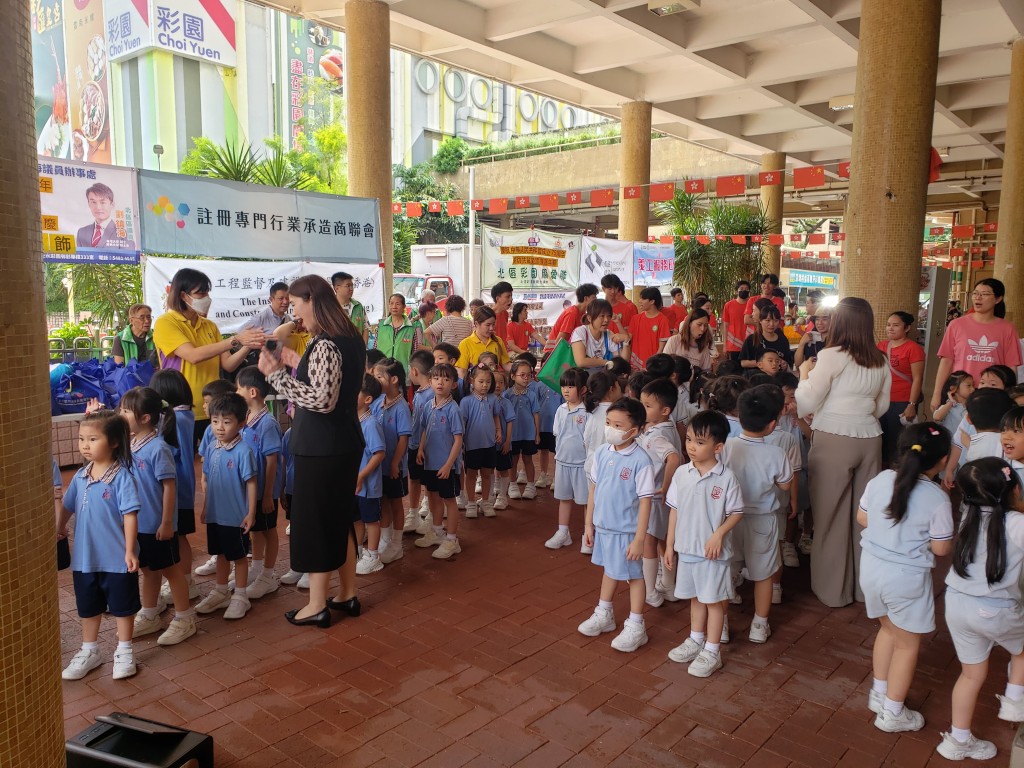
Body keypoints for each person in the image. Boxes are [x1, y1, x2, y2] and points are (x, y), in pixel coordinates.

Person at [258, 275, 365, 628]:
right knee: (339, 518)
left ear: (312, 300)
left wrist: (275, 376)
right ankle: (346, 594)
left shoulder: (326, 344)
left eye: (296, 305)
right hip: (342, 442)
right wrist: (279, 351)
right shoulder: (347, 338)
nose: (294, 313)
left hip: (321, 447)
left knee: (318, 522)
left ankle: (317, 604)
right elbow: (320, 374)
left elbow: (320, 398)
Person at [795, 297, 891, 608]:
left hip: (834, 438)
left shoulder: (831, 355)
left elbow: (806, 401)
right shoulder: (880, 359)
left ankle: (834, 591)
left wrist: (803, 374)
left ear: (840, 322)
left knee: (830, 517)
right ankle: (863, 590)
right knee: (863, 517)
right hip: (870, 438)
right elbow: (882, 406)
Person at [858, 423, 953, 733]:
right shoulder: (938, 498)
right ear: (943, 460)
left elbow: (862, 518)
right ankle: (893, 713)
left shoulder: (882, 479)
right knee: (908, 645)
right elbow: (941, 548)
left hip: (871, 570)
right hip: (906, 580)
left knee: (887, 630)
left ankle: (879, 693)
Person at [938, 458, 1024, 761]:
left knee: (971, 675)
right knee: (1022, 649)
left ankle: (957, 741)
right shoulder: (1016, 523)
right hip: (996, 608)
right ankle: (1014, 700)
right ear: (1014, 490)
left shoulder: (968, 516)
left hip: (957, 604)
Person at [59, 411, 142, 681]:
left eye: (93, 439)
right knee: (88, 606)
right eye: (82, 438)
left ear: (115, 442)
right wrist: (59, 528)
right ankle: (89, 650)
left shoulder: (122, 478)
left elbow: (130, 516)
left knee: (123, 606)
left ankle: (125, 649)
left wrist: (129, 551)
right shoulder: (81, 476)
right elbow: (68, 506)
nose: (85, 445)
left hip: (117, 558)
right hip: (84, 558)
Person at [664, 410, 744, 678]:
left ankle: (712, 651)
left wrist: (719, 534)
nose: (691, 447)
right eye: (688, 440)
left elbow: (736, 512)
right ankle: (695, 640)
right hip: (687, 549)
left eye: (699, 442)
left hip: (713, 554)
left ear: (718, 447)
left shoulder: (726, 477)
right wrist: (669, 545)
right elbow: (674, 510)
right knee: (696, 598)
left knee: (714, 600)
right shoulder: (681, 474)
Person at [119, 387, 195, 647]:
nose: (121, 414)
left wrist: (166, 522)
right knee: (148, 570)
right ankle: (150, 613)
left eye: (126, 411)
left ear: (145, 418)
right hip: (138, 524)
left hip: (157, 525)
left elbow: (169, 486)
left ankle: (185, 618)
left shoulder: (158, 448)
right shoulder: (129, 444)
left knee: (171, 571)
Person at [578, 397, 656, 652]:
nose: (610, 428)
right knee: (610, 570)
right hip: (604, 527)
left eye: (618, 425)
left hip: (627, 531)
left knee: (634, 576)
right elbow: (594, 489)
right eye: (608, 422)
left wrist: (639, 539)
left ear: (634, 431)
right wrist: (589, 525)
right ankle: (605, 613)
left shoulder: (641, 461)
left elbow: (646, 502)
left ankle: (636, 625)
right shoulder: (602, 452)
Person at [721, 385, 793, 643]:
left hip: (729, 520)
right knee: (763, 574)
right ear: (772, 424)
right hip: (763, 520)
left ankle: (722, 625)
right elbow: (785, 484)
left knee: (727, 570)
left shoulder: (727, 447)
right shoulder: (776, 453)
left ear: (740, 417)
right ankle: (759, 626)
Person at [153, 268, 265, 432]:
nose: (207, 299)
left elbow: (228, 364)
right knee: (186, 457)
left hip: (213, 408)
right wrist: (236, 339)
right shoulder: (166, 323)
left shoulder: (210, 326)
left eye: (207, 294)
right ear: (184, 296)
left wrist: (249, 343)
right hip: (180, 409)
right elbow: (192, 356)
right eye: (200, 294)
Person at [194, 393, 258, 621]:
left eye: (227, 421)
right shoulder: (211, 447)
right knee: (220, 554)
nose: (220, 427)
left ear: (241, 423)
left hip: (236, 516)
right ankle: (221, 591)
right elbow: (208, 479)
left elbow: (251, 483)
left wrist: (250, 513)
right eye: (215, 421)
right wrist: (205, 507)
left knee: (239, 557)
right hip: (215, 514)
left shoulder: (244, 451)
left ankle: (241, 596)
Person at [931, 278, 1022, 414]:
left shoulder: (1007, 329)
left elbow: (1011, 368)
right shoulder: (956, 325)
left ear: (998, 299)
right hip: (958, 394)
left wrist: (1010, 397)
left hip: (991, 396)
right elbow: (946, 361)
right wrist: (937, 394)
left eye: (985, 294)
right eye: (975, 293)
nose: (978, 297)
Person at [149, 369, 200, 600]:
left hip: (177, 489)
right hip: (183, 488)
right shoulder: (186, 415)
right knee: (181, 537)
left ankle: (185, 581)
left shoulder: (175, 419)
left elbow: (169, 450)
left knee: (179, 538)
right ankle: (185, 580)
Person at [235, 366, 284, 600]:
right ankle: (257, 565)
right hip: (250, 490)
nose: (237, 392)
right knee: (255, 528)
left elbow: (272, 461)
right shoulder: (246, 420)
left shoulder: (267, 423)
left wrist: (267, 495)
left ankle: (268, 575)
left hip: (265, 489)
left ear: (252, 392)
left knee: (268, 529)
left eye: (239, 388)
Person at [637, 379, 683, 608]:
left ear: (665, 410)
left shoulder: (656, 436)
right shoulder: (668, 426)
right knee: (666, 540)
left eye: (647, 405)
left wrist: (663, 486)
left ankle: (649, 590)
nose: (642, 408)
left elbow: (673, 457)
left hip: (656, 496)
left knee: (648, 541)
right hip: (667, 496)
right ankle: (669, 584)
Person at [414, 363, 465, 559]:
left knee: (449, 500)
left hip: (446, 465)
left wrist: (447, 465)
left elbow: (458, 440)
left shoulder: (453, 409)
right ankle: (437, 531)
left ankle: (452, 540)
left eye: (445, 379)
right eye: (436, 378)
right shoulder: (428, 405)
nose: (440, 382)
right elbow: (426, 429)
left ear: (453, 384)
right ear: (430, 381)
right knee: (433, 496)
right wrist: (420, 448)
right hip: (430, 462)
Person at [371, 358, 413, 563]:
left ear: (394, 379)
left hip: (394, 467)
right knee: (383, 501)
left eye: (379, 377)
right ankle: (385, 539)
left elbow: (403, 438)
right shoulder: (378, 402)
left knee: (395, 503)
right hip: (380, 466)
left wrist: (396, 463)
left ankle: (396, 544)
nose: (375, 381)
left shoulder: (402, 407)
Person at [546, 368, 590, 550]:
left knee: (587, 501)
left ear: (583, 389)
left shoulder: (588, 411)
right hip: (563, 462)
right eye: (564, 386)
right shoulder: (560, 410)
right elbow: (558, 434)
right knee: (564, 498)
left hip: (582, 464)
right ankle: (563, 533)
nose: (566, 390)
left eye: (571, 386)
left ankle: (589, 536)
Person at [878, 311, 925, 466]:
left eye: (896, 325)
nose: (890, 328)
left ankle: (896, 470)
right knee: (880, 438)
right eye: (888, 325)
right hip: (882, 399)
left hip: (902, 401)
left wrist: (911, 405)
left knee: (896, 439)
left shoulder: (913, 349)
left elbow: (918, 378)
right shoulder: (882, 346)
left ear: (907, 328)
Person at [354, 374, 387, 574]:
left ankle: (373, 556)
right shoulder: (352, 420)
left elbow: (379, 453)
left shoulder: (370, 424)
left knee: (371, 520)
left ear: (368, 400)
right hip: (354, 482)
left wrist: (361, 475)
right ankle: (358, 551)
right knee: (356, 518)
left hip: (368, 484)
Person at [460, 365, 501, 519]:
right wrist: (462, 443)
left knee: (486, 474)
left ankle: (485, 502)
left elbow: (496, 416)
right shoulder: (466, 401)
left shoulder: (493, 399)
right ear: (472, 380)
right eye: (481, 381)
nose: (485, 385)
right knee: (471, 475)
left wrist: (498, 430)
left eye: (488, 382)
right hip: (472, 445)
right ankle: (471, 502)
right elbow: (462, 423)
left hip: (489, 444)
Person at [404, 350, 436, 532]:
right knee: (414, 478)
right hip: (414, 444)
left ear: (415, 371)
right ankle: (413, 513)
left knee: (429, 483)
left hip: (427, 446)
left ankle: (431, 517)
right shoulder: (420, 393)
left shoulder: (430, 394)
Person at [504, 359, 542, 500]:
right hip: (512, 435)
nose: (526, 378)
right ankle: (512, 484)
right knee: (512, 461)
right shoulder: (507, 394)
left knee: (528, 459)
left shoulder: (531, 394)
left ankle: (531, 485)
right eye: (522, 375)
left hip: (528, 434)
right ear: (513, 376)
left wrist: (537, 433)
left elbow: (536, 414)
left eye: (529, 375)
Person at [571, 299, 631, 375]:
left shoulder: (608, 334)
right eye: (602, 316)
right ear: (589, 318)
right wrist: (607, 362)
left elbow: (623, 361)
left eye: (609, 316)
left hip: (600, 380)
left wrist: (626, 341)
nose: (606, 320)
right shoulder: (580, 332)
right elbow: (580, 362)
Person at [456, 306, 511, 378]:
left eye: (493, 324)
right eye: (488, 325)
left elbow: (506, 364)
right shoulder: (465, 344)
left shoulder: (498, 341)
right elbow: (462, 372)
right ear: (476, 324)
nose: (491, 328)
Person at [544, 284, 599, 354]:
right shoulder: (572, 313)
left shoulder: (583, 314)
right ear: (586, 298)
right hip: (553, 355)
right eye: (594, 297)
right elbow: (561, 341)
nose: (596, 300)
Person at [77, 182, 135, 249]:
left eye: (103, 202)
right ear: (89, 204)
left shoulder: (124, 233)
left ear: (112, 204)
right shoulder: (82, 232)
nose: (98, 207)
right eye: (93, 202)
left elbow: (128, 258)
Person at [376, 293, 423, 371]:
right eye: (391, 303)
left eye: (397, 304)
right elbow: (375, 347)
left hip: (403, 370)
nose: (394, 306)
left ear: (404, 306)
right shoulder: (381, 325)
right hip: (382, 369)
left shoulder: (411, 327)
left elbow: (414, 352)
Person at [627, 288, 670, 370]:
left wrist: (652, 366)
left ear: (652, 301)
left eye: (643, 299)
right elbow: (628, 340)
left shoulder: (663, 320)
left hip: (651, 367)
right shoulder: (635, 319)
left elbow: (661, 348)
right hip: (635, 366)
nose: (640, 301)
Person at [740, 304, 792, 371]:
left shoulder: (783, 340)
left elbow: (788, 361)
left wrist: (785, 364)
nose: (772, 324)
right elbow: (743, 363)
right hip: (757, 378)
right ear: (760, 321)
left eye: (776, 321)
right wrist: (763, 363)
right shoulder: (752, 339)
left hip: (778, 379)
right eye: (768, 320)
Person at [492, 369, 516, 511]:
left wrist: (507, 441)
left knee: (503, 468)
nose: (498, 385)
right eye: (494, 382)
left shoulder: (506, 402)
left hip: (503, 443)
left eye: (501, 382)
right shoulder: (487, 400)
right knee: (490, 469)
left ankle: (503, 496)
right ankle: (490, 494)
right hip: (489, 443)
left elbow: (510, 422)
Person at [332, 271, 369, 345]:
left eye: (352, 285)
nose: (351, 289)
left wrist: (363, 348)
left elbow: (366, 328)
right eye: (348, 286)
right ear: (337, 288)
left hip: (357, 350)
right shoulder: (330, 307)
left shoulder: (358, 306)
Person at [722, 281, 752, 361]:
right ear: (736, 291)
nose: (744, 290)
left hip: (749, 343)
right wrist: (725, 346)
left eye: (746, 289)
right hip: (733, 344)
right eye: (741, 288)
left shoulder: (752, 305)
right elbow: (725, 325)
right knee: (734, 369)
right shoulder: (728, 305)